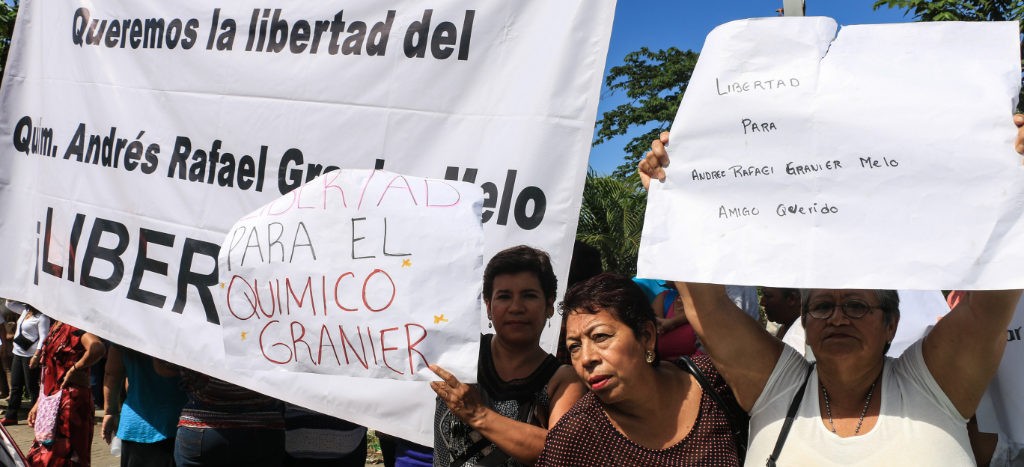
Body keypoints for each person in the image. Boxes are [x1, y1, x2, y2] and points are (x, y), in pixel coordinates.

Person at [636, 119, 1024, 464]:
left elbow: (988, 306)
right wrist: (672, 197)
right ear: (805, 322)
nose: (837, 317)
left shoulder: (935, 384)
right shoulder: (777, 388)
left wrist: (1017, 176)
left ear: (892, 324)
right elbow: (707, 307)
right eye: (822, 306)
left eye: (856, 306)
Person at [536, 273, 743, 466]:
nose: (586, 358)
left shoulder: (714, 381)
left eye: (600, 337)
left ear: (646, 336)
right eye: (575, 347)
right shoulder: (575, 438)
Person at [430, 245, 585, 466]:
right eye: (504, 296)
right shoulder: (462, 351)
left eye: (529, 296)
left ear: (549, 305)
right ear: (488, 307)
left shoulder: (563, 381)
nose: (516, 307)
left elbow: (561, 452)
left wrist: (478, 414)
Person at [25, 320, 106, 466]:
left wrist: (76, 368)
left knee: (64, 457)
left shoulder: (73, 325)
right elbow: (49, 368)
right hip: (51, 402)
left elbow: (97, 348)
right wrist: (39, 401)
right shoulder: (56, 326)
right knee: (42, 457)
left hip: (70, 404)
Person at [102, 345, 187, 467]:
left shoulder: (126, 333)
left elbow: (112, 374)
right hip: (175, 423)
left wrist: (110, 412)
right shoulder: (179, 334)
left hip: (134, 423)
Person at [3, 303, 51, 425]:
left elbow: (43, 338)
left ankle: (37, 417)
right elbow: (9, 304)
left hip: (30, 355)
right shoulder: (25, 310)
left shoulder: (42, 317)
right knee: (15, 386)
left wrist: (36, 355)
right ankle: (11, 416)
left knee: (32, 387)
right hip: (18, 353)